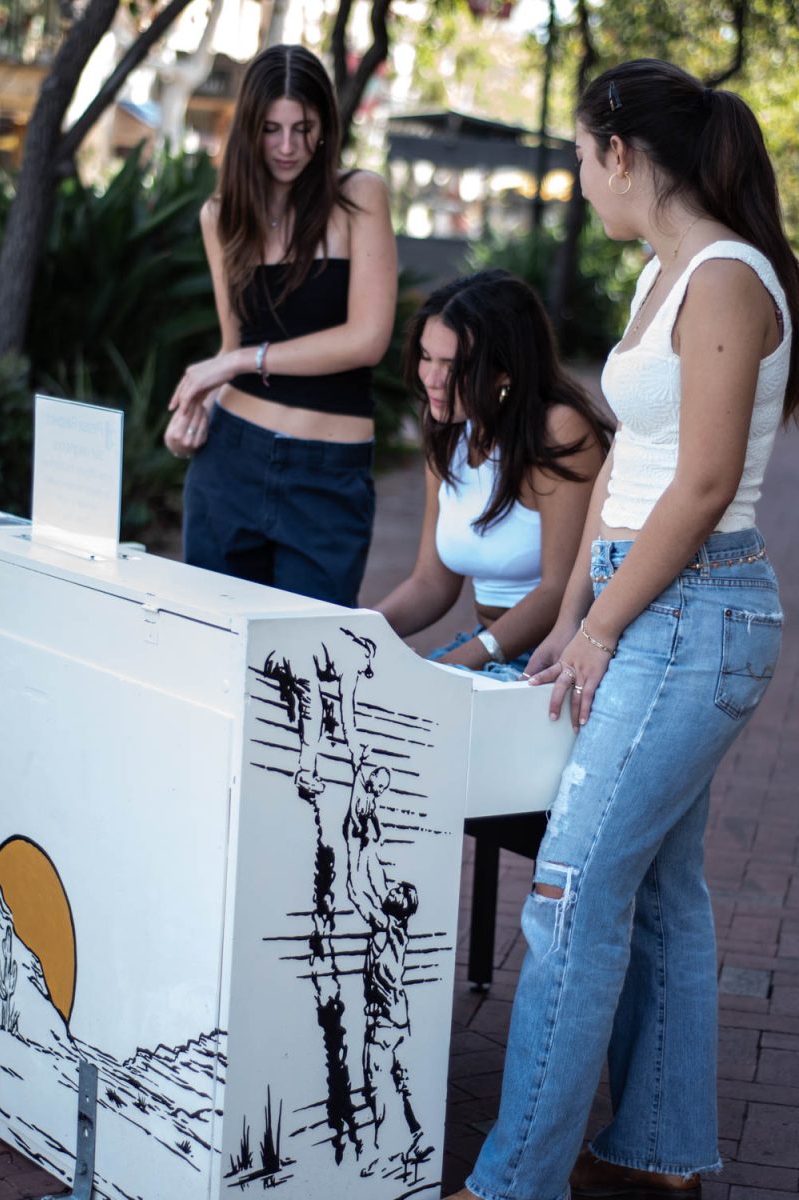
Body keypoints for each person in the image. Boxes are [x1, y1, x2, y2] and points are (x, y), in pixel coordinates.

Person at [448, 60, 798, 1200]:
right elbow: (622, 468)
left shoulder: (727, 280)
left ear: (620, 154)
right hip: (644, 600)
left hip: (693, 612)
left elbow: (699, 488)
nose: (579, 182)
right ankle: (654, 1153)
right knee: (658, 892)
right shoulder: (663, 275)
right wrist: (580, 611)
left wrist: (600, 625)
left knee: (567, 890)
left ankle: (515, 1183)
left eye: (579, 158)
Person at [165, 44, 397, 607]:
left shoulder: (358, 197)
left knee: (305, 674)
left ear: (325, 127)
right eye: (272, 129)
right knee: (213, 655)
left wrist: (243, 361)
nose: (288, 146)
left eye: (304, 127)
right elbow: (230, 343)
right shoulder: (221, 217)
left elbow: (367, 339)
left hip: (326, 478)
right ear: (249, 128)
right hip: (230, 462)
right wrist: (193, 416)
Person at [376, 270, 611, 679]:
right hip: (489, 644)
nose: (431, 379)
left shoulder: (557, 429)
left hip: (557, 653)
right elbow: (432, 583)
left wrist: (449, 666)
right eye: (426, 357)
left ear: (505, 371)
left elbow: (560, 592)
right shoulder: (448, 429)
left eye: (452, 365)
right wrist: (358, 628)